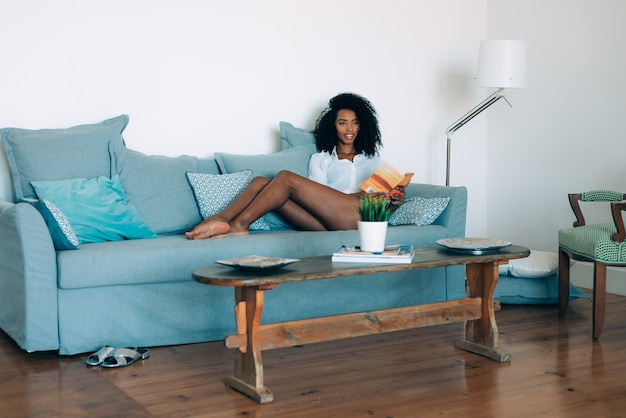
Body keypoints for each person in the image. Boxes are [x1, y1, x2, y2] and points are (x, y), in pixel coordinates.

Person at [185, 92, 405, 240]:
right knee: (262, 182)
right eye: (342, 122)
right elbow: (316, 198)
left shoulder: (373, 160)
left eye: (355, 122)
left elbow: (385, 202)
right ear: (333, 126)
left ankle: (239, 225)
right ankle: (221, 219)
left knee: (285, 177)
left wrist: (396, 199)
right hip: (325, 222)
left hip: (357, 217)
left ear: (363, 126)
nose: (350, 128)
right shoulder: (322, 159)